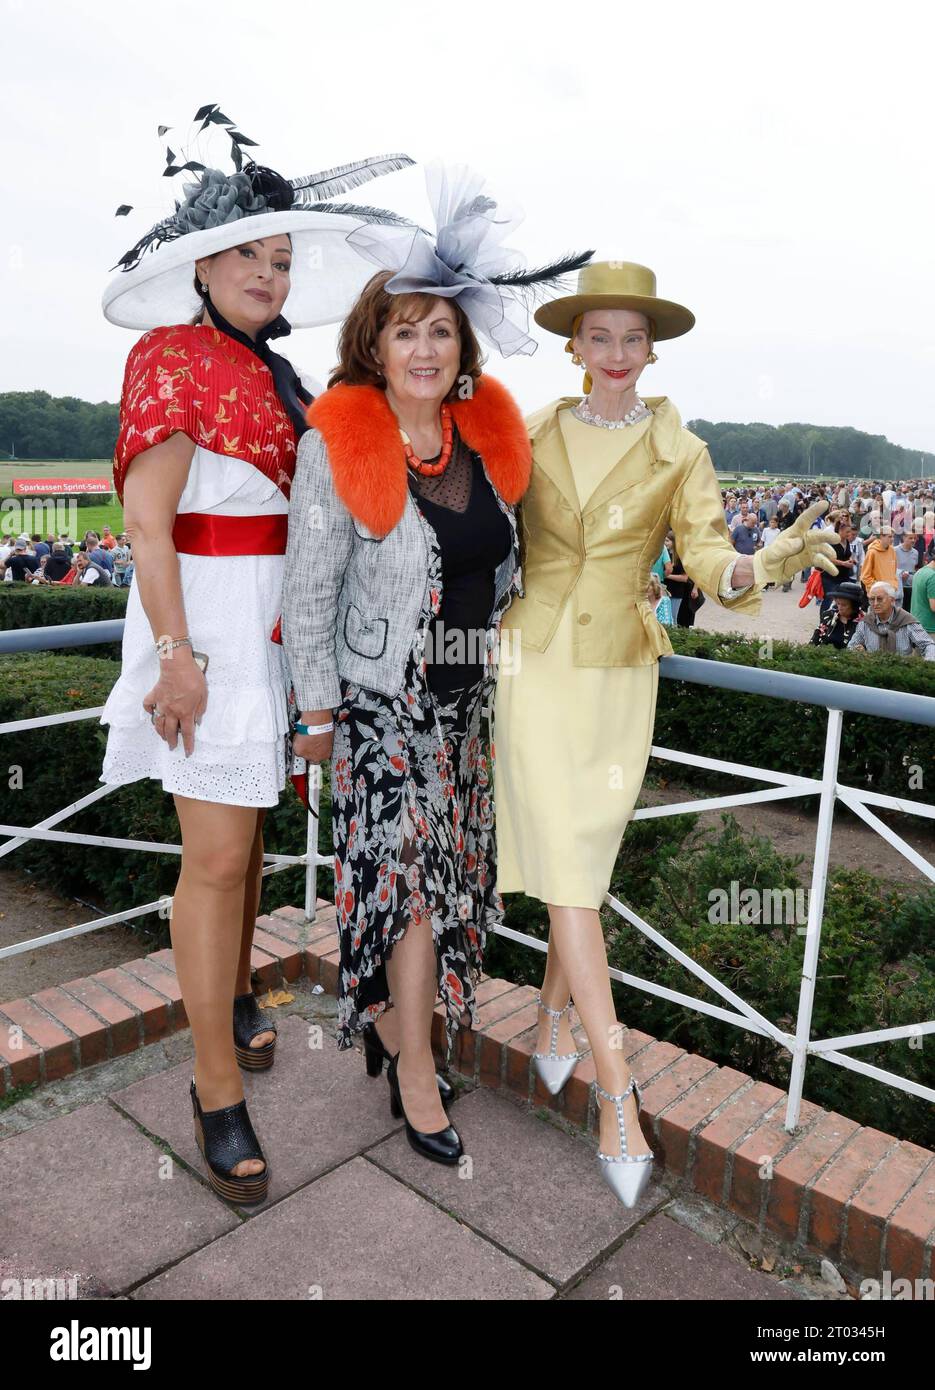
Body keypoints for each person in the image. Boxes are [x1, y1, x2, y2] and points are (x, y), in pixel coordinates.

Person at [97, 109, 414, 1206]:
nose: (269, 275)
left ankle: (231, 998)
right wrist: (175, 656)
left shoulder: (275, 374)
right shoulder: (169, 356)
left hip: (271, 625)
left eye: (282, 259)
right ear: (201, 260)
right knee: (220, 859)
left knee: (253, 837)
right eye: (249, 254)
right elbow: (149, 526)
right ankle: (213, 1089)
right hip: (206, 626)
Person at [492, 260, 841, 1209]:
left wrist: (762, 563)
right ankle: (616, 1090)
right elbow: (473, 528)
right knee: (567, 866)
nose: (614, 354)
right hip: (527, 667)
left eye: (631, 338)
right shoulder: (526, 429)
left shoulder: (681, 452)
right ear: (573, 346)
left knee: (578, 866)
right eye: (597, 336)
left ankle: (552, 1017)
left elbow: (707, 561)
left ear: (652, 349)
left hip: (615, 678)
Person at [282, 163, 588, 1168]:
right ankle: (415, 1073)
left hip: (463, 714)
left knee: (446, 890)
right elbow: (310, 590)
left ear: (462, 346)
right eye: (404, 327)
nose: (423, 346)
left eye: (439, 329)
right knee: (409, 892)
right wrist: (316, 715)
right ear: (373, 341)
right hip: (382, 713)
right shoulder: (337, 443)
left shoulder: (484, 439)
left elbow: (521, 562)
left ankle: (389, 1025)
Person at [848, 582, 935, 660]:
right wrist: (857, 651)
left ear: (892, 600)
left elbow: (928, 645)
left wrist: (929, 660)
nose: (875, 603)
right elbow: (851, 646)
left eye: (879, 599)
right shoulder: (866, 623)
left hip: (902, 672)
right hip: (872, 671)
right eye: (871, 599)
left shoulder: (906, 621)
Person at [809, 581, 862, 648]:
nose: (839, 607)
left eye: (844, 605)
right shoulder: (829, 616)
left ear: (854, 606)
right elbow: (815, 640)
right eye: (838, 603)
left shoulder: (863, 623)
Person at [909, 541, 935, 634]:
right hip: (930, 629)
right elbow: (934, 607)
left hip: (917, 626)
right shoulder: (933, 577)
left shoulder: (920, 571)